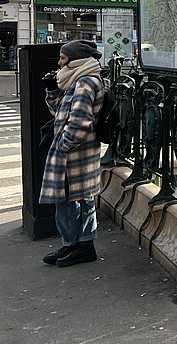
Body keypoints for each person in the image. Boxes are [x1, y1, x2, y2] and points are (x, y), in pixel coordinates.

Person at [39, 40, 105, 267]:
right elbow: (60, 111)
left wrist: (64, 145)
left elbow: (79, 121)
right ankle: (74, 244)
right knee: (73, 198)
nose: (59, 63)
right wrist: (51, 90)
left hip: (76, 152)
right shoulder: (76, 80)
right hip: (77, 151)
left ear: (75, 60)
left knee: (74, 199)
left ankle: (82, 246)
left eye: (63, 58)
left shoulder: (85, 82)